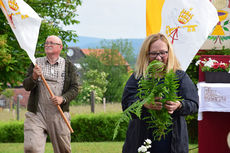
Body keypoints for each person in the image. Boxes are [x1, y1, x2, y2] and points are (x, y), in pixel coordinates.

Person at [122, 33, 199, 153]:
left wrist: (179, 105)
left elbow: (194, 104)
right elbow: (126, 104)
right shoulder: (138, 77)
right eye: (154, 53)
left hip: (172, 142)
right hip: (141, 139)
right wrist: (143, 104)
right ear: (146, 54)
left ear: (170, 53)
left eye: (163, 52)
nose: (159, 57)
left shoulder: (179, 76)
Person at [23, 35, 79, 153]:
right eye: (46, 42)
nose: (48, 44)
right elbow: (26, 86)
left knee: (63, 150)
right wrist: (34, 76)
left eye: (51, 43)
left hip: (59, 114)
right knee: (31, 148)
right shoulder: (36, 63)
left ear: (60, 47)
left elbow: (75, 88)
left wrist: (62, 99)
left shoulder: (68, 66)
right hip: (36, 114)